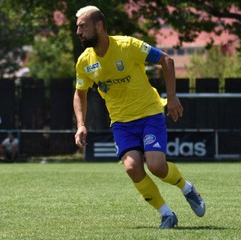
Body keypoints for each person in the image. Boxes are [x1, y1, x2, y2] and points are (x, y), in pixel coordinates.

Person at [73, 6, 205, 229]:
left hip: (149, 114)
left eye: (83, 26)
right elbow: (80, 93)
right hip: (121, 123)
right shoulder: (84, 61)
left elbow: (167, 61)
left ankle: (186, 188)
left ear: (99, 26)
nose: (78, 31)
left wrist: (171, 97)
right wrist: (81, 124)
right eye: (77, 27)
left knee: (156, 166)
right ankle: (166, 214)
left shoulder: (128, 45)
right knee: (132, 168)